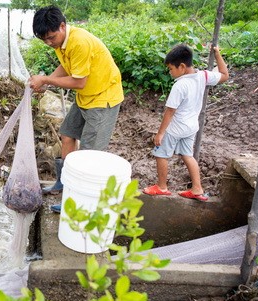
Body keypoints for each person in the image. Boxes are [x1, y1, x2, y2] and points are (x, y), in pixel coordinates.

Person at [28, 5, 123, 213]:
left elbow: (79, 81)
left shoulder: (79, 42)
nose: (48, 43)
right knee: (67, 134)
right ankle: (63, 182)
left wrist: (45, 79)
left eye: (51, 37)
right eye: (44, 40)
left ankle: (77, 202)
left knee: (89, 153)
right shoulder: (61, 44)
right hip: (86, 96)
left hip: (102, 98)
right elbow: (66, 66)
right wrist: (48, 82)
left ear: (62, 26)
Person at [143, 44, 229, 201]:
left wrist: (160, 133)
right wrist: (217, 54)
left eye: (170, 69)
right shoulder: (203, 76)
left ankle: (162, 187)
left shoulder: (180, 85)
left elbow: (170, 111)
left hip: (175, 128)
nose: (170, 73)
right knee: (188, 155)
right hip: (191, 127)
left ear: (181, 66)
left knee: (161, 154)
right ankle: (197, 189)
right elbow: (224, 75)